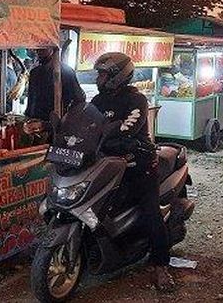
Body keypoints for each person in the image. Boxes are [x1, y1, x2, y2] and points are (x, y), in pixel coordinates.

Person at [89, 52, 174, 292]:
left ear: (118, 76)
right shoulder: (98, 100)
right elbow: (89, 125)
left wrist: (112, 139)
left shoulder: (136, 100)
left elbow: (128, 128)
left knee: (150, 213)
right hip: (109, 165)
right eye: (99, 74)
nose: (99, 78)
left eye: (103, 74)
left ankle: (160, 266)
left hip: (139, 165)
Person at [23, 48, 85, 138]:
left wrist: (62, 122)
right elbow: (32, 98)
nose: (39, 52)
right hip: (35, 126)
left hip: (55, 127)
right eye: (38, 50)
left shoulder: (65, 72)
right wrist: (28, 117)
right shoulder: (35, 72)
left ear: (53, 49)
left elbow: (78, 100)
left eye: (43, 49)